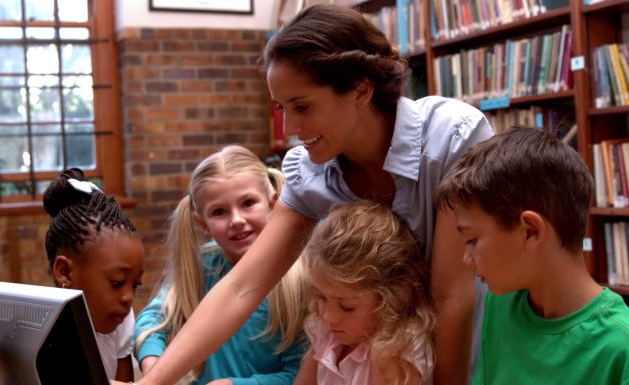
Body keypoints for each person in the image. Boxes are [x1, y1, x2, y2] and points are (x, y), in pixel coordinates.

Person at [125, 4, 493, 385]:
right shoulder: (311, 171)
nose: (290, 127)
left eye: (302, 106)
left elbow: (452, 295)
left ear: (361, 90)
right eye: (282, 108)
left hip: (468, 366)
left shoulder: (450, 138)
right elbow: (241, 287)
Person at [435, 126, 629, 385]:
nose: (466, 259)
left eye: (472, 240)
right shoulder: (499, 302)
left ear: (530, 232)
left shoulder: (619, 347)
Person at [134, 145, 308, 385]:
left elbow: (304, 373)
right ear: (202, 222)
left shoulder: (300, 277)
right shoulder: (201, 267)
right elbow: (154, 320)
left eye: (248, 203)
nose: (236, 220)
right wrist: (154, 366)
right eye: (219, 212)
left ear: (273, 203)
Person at [294, 201, 435, 385]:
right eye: (321, 297)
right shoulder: (325, 332)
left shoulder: (394, 350)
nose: (329, 316)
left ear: (390, 300)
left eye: (347, 307)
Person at [43, 168, 144, 383]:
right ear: (65, 272)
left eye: (134, 285)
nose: (128, 297)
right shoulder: (44, 333)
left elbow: (125, 379)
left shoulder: (120, 318)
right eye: (117, 283)